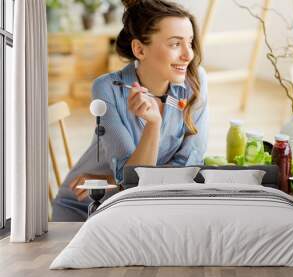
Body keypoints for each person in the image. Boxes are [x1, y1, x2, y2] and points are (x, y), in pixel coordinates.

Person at [52, 0, 208, 222]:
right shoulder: (107, 88)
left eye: (190, 43)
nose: (188, 55)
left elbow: (189, 166)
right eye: (175, 44)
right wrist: (153, 126)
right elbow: (134, 182)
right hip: (87, 206)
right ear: (139, 49)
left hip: (141, 203)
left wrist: (115, 179)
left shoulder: (195, 81)